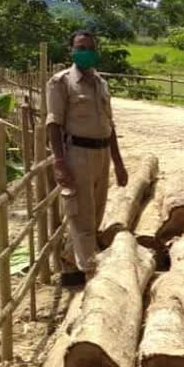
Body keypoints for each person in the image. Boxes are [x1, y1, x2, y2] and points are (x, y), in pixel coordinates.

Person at [46, 30, 128, 286]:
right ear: (71, 50)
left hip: (102, 154)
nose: (86, 52)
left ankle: (69, 266)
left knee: (95, 214)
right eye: (80, 47)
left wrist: (118, 163)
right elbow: (53, 124)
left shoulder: (101, 83)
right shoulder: (61, 83)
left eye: (90, 47)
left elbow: (110, 125)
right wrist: (59, 162)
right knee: (81, 217)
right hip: (77, 155)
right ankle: (94, 276)